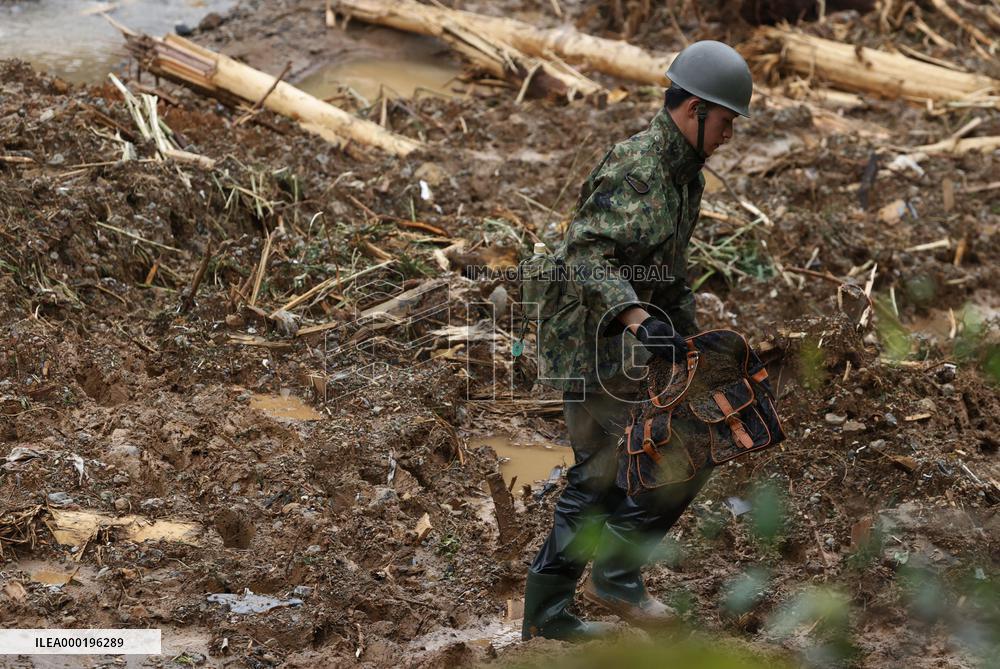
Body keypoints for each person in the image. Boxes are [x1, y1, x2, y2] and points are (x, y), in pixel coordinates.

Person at [522, 40, 754, 641]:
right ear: (694, 111)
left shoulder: (684, 179)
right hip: (590, 344)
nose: (729, 135)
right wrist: (633, 317)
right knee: (601, 472)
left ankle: (616, 576)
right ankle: (554, 615)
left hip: (635, 340)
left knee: (693, 442)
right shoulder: (638, 168)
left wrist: (693, 342)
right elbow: (582, 253)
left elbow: (669, 273)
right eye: (726, 122)